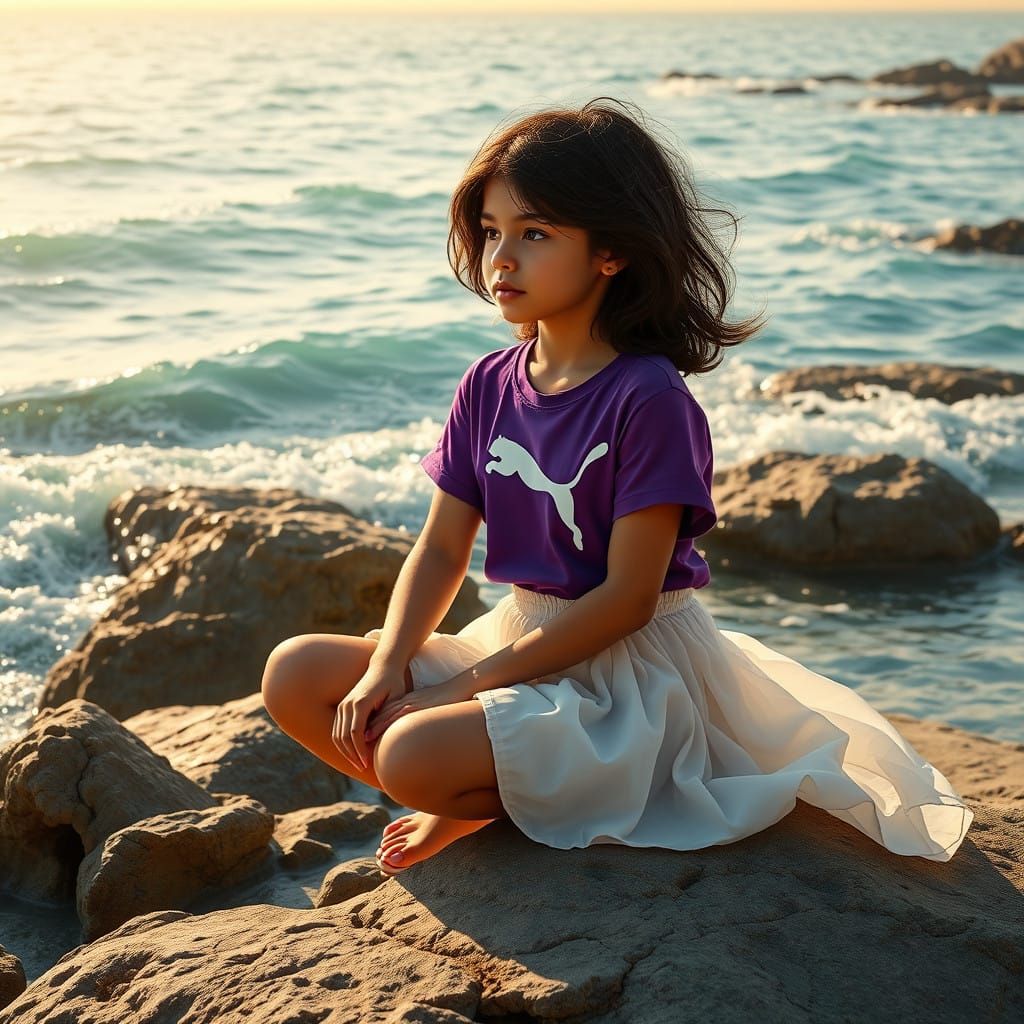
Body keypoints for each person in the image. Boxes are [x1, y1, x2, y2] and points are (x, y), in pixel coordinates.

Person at [261, 97, 973, 878]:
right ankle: (493, 785)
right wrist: (389, 663)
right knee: (296, 673)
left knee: (408, 751)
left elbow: (627, 600)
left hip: (629, 673)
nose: (501, 259)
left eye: (535, 235)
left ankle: (484, 800)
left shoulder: (650, 399)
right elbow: (439, 547)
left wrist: (455, 693)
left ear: (611, 252)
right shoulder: (489, 384)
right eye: (492, 231)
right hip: (523, 640)